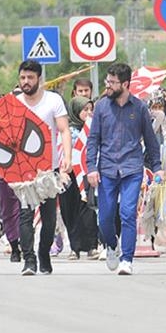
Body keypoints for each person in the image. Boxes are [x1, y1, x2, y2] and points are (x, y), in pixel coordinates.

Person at [86, 63, 163, 275]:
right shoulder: (102, 107)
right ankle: (111, 245)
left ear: (125, 84)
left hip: (132, 168)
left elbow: (150, 140)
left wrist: (157, 167)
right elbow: (93, 140)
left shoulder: (139, 108)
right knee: (105, 218)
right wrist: (91, 167)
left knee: (128, 213)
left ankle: (127, 259)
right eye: (107, 82)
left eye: (112, 83)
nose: (108, 86)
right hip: (107, 169)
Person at [15, 60, 72, 276]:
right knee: (25, 215)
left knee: (49, 220)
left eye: (30, 77)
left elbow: (64, 130)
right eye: (22, 78)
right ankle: (28, 260)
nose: (26, 82)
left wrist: (67, 157)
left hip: (49, 170)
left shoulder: (53, 100)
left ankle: (43, 252)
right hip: (23, 171)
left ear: (39, 79)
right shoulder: (15, 103)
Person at [62, 96, 99, 260]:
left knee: (88, 209)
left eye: (91, 109)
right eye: (85, 110)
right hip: (69, 174)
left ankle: (92, 245)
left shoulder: (95, 129)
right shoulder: (67, 131)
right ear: (76, 111)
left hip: (87, 172)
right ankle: (74, 247)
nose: (89, 113)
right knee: (70, 210)